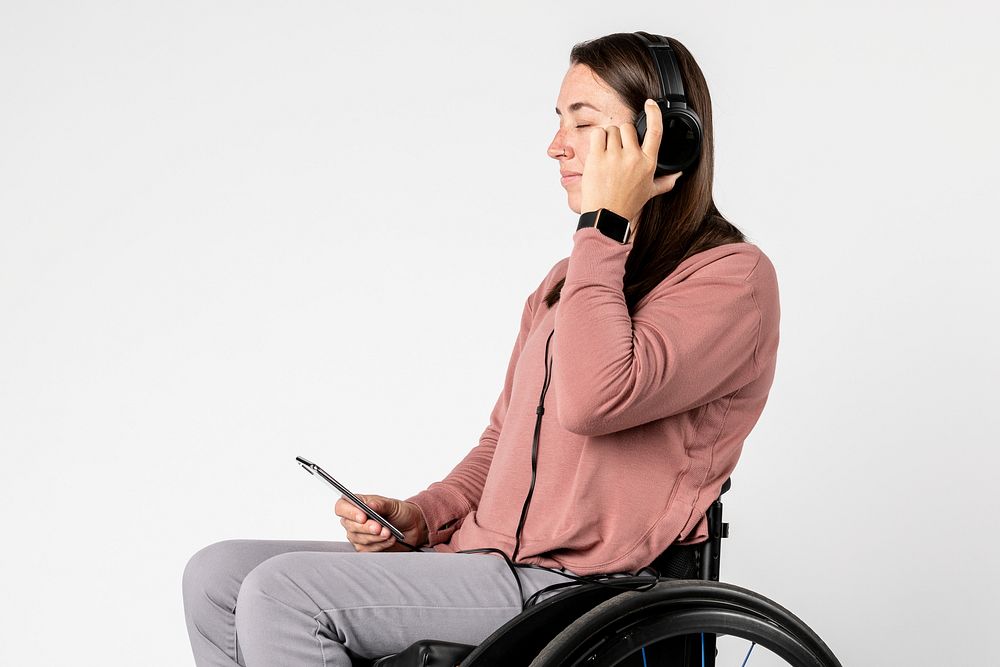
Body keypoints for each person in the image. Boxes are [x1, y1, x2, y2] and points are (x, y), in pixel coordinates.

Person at [182, 31, 779, 667]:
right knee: (216, 578)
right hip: (484, 562)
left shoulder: (730, 281)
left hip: (578, 590)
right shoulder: (567, 283)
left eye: (582, 123)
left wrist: (604, 225)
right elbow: (501, 443)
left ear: (665, 141)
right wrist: (421, 516)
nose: (556, 146)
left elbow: (593, 399)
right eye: (559, 121)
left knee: (285, 595)